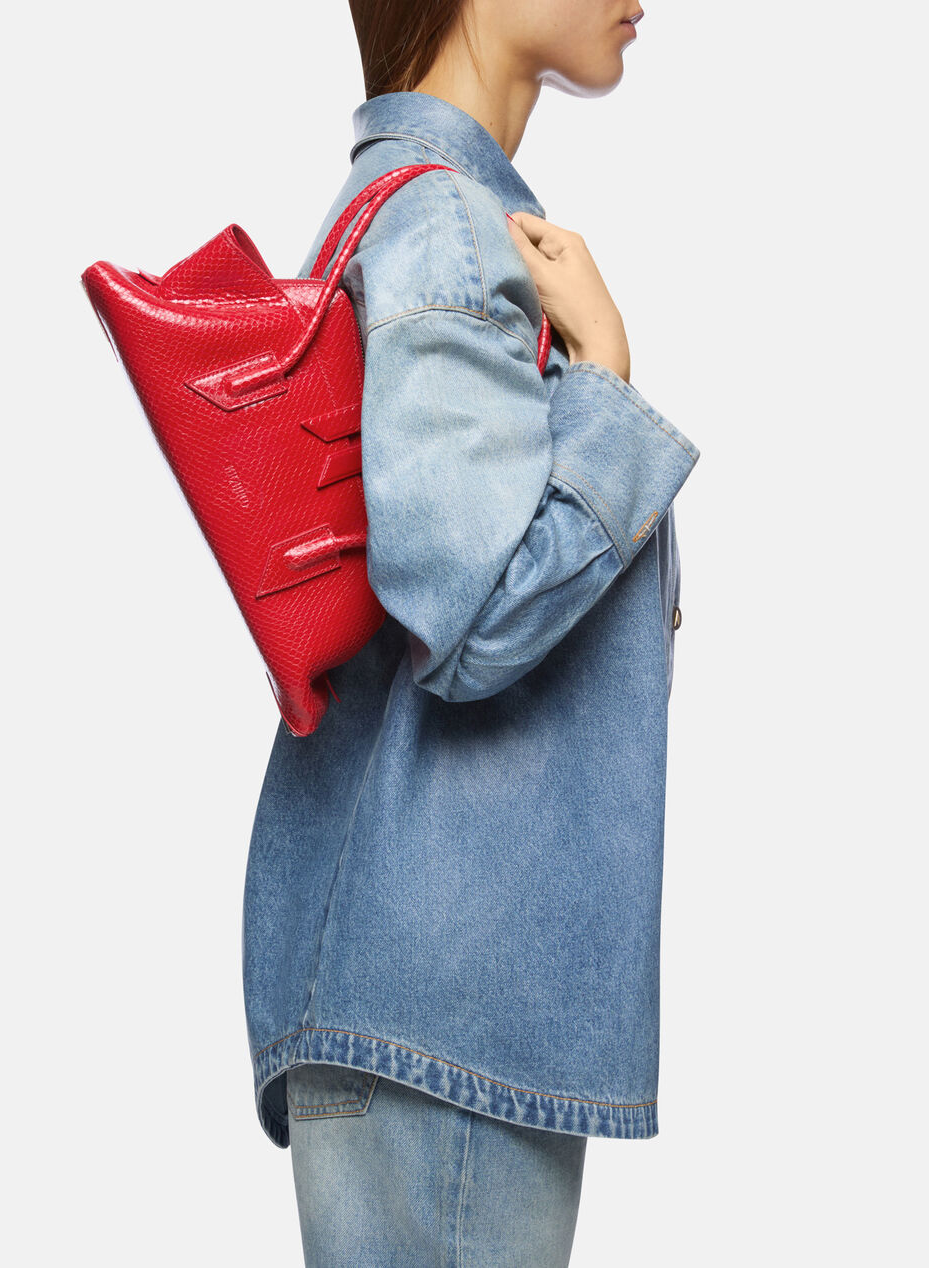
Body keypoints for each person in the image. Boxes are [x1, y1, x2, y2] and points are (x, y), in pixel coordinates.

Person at [242, 2, 700, 1263]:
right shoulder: (445, 226)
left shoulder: (424, 211)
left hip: (424, 996)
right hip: (446, 1006)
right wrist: (602, 378)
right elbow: (475, 617)